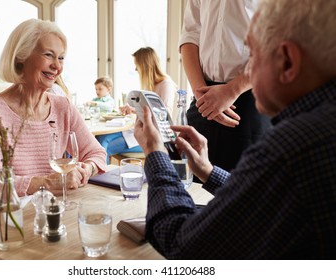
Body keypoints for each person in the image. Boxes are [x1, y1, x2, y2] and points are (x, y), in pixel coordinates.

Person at [134, 0, 336, 259]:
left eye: (251, 55)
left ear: (287, 62)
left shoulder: (290, 148)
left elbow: (182, 246)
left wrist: (155, 154)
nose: (246, 72)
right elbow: (265, 199)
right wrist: (208, 172)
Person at [0, 19, 107, 198]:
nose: (57, 67)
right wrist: (48, 183)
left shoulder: (63, 107)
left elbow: (96, 153)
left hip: (55, 211)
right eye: (48, 55)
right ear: (21, 56)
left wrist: (86, 169)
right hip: (11, 216)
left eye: (61, 58)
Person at [179, 0, 271, 174]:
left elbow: (277, 43)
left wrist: (233, 89)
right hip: (203, 99)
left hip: (249, 100)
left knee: (243, 190)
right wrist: (201, 95)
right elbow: (189, 37)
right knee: (193, 188)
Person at [96, 47, 176, 163]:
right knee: (99, 139)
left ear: (145, 65)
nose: (135, 69)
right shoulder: (151, 85)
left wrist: (136, 110)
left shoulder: (165, 84)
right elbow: (148, 110)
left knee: (103, 148)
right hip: (137, 131)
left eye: (137, 65)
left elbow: (162, 117)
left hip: (152, 137)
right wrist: (133, 109)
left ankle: (101, 179)